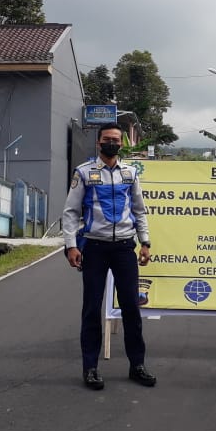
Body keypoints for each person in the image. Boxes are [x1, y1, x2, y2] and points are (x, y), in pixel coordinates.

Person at [62, 123, 156, 391]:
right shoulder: (83, 173)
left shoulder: (130, 174)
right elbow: (70, 212)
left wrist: (145, 242)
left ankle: (137, 365)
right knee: (92, 308)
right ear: (98, 143)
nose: (111, 143)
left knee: (131, 308)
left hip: (125, 248)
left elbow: (140, 211)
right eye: (107, 139)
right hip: (94, 247)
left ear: (121, 144)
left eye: (116, 139)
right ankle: (90, 368)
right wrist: (71, 246)